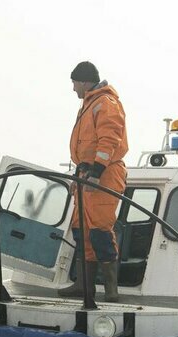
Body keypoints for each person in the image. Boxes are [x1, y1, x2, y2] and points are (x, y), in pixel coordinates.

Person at [58, 61, 128, 302]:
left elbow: (109, 140)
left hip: (105, 175)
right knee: (81, 230)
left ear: (85, 82)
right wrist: (81, 172)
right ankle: (84, 286)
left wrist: (97, 172)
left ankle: (111, 290)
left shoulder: (105, 104)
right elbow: (87, 145)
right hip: (87, 174)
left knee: (99, 229)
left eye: (74, 83)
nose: (73, 88)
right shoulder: (89, 104)